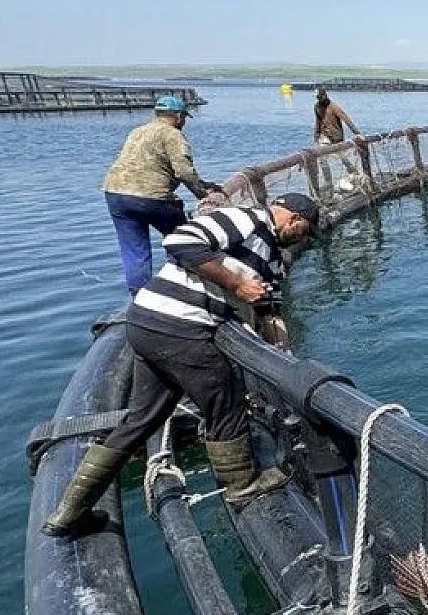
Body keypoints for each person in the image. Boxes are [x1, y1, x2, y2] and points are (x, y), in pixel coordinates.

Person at [40, 193, 323, 537]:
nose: (306, 240)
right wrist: (235, 284)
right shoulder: (247, 219)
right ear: (292, 218)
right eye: (306, 231)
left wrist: (284, 362)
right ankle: (242, 485)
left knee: (143, 419)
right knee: (226, 399)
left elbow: (268, 308)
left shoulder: (272, 258)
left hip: (146, 324)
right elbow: (179, 241)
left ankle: (70, 511)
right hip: (181, 327)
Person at [103, 94, 221, 292]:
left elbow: (146, 164)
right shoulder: (172, 134)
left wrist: (202, 183)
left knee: (134, 250)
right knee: (184, 238)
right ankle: (188, 285)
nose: (184, 122)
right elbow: (183, 171)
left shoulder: (138, 131)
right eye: (183, 117)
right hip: (150, 197)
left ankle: (140, 297)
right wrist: (202, 194)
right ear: (177, 116)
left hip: (115, 194)